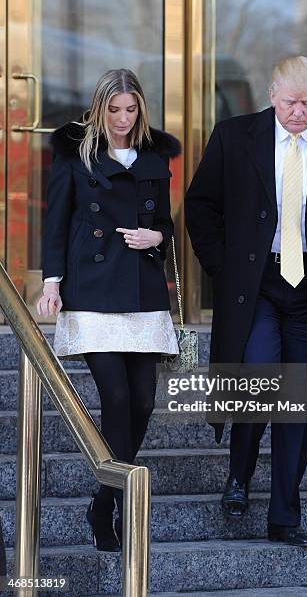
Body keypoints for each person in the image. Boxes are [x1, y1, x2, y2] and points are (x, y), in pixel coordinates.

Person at [185, 56, 307, 547]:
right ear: (272, 95)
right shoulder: (233, 135)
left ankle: (285, 515)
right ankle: (238, 478)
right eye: (290, 102)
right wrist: (225, 272)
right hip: (257, 283)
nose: (298, 112)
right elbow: (200, 206)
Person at [37, 68, 180, 551]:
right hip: (94, 290)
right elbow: (55, 222)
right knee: (116, 399)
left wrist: (157, 236)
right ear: (99, 108)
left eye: (131, 109)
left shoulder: (156, 157)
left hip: (142, 287)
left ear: (141, 109)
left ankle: (103, 497)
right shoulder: (75, 154)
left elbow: (166, 223)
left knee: (143, 402)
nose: (122, 119)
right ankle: (112, 505)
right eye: (114, 109)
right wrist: (52, 282)